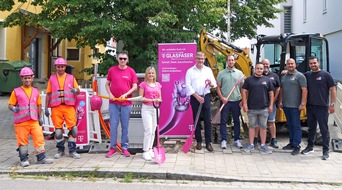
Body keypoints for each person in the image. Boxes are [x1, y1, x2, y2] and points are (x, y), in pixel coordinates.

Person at [8, 67, 53, 167]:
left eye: (29, 78)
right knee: (22, 141)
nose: (27, 80)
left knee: (39, 138)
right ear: (21, 79)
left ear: (32, 78)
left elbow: (39, 105)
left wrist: (40, 117)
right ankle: (23, 159)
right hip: (21, 122)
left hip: (33, 120)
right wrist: (14, 108)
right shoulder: (16, 92)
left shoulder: (35, 91)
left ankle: (41, 157)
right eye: (25, 78)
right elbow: (10, 105)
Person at [45, 57, 81, 159]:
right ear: (55, 67)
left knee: (74, 129)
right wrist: (46, 107)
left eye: (62, 66)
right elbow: (48, 94)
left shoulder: (71, 77)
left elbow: (78, 91)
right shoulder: (52, 79)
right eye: (58, 67)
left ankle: (72, 150)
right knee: (58, 131)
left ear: (65, 67)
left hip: (69, 106)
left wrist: (75, 91)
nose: (60, 68)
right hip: (56, 107)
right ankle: (60, 150)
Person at [301, 57, 336, 160]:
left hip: (322, 107)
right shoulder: (307, 75)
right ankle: (310, 147)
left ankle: (326, 151)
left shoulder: (326, 75)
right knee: (311, 128)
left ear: (318, 63)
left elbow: (333, 89)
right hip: (310, 106)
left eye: (314, 63)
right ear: (309, 65)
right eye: (311, 63)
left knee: (324, 129)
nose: (313, 65)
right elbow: (297, 76)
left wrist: (332, 104)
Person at [105, 52, 138, 158]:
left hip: (126, 103)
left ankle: (124, 148)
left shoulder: (131, 71)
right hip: (114, 103)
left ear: (127, 60)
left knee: (125, 126)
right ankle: (112, 148)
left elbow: (135, 87)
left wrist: (126, 94)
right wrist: (110, 94)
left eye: (124, 59)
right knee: (113, 126)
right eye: (121, 58)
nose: (122, 60)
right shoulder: (112, 70)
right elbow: (107, 84)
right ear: (117, 59)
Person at [185, 51, 217, 152]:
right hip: (195, 97)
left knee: (207, 120)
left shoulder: (208, 70)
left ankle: (208, 142)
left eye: (202, 59)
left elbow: (214, 84)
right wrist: (197, 96)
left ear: (204, 59)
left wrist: (211, 83)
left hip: (206, 96)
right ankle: (198, 141)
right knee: (196, 120)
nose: (201, 60)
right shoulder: (190, 71)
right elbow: (188, 85)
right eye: (199, 58)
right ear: (195, 59)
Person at [242, 63, 274, 154]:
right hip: (252, 108)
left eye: (261, 68)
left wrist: (271, 105)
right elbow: (244, 91)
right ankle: (251, 144)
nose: (259, 70)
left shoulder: (267, 80)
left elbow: (271, 93)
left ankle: (263, 145)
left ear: (263, 69)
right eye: (257, 68)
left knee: (263, 127)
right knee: (252, 127)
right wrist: (245, 104)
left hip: (264, 108)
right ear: (254, 69)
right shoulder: (249, 80)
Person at [278, 58, 307, 155]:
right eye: (288, 64)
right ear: (286, 65)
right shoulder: (284, 76)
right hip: (286, 105)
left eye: (292, 64)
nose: (290, 65)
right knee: (290, 125)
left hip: (295, 106)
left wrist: (302, 103)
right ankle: (291, 143)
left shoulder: (300, 76)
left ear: (295, 65)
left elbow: (304, 90)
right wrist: (281, 101)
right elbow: (282, 90)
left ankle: (297, 145)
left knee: (296, 126)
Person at [216, 55, 244, 149]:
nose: (231, 62)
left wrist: (243, 100)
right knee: (223, 121)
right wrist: (222, 98)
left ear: (234, 61)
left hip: (236, 101)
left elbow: (242, 88)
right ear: (226, 61)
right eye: (229, 60)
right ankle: (223, 140)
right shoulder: (221, 73)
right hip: (225, 101)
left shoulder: (239, 73)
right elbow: (218, 87)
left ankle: (237, 140)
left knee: (236, 121)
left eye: (232, 60)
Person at [139, 66, 162, 161]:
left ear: (154, 74)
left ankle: (150, 149)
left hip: (155, 109)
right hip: (146, 109)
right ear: (146, 74)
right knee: (148, 130)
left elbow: (160, 97)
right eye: (149, 73)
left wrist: (158, 100)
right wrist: (151, 99)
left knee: (153, 130)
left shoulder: (158, 85)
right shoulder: (143, 84)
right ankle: (145, 151)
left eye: (152, 73)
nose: (151, 75)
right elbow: (140, 98)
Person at [262, 59, 280, 148]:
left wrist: (275, 98)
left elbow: (278, 88)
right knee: (261, 123)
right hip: (260, 103)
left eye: (267, 64)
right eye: (263, 64)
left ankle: (274, 139)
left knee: (271, 121)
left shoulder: (274, 76)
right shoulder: (257, 75)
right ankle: (261, 141)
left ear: (269, 65)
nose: (265, 65)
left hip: (270, 103)